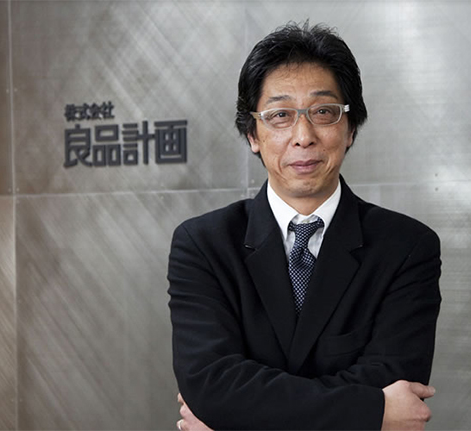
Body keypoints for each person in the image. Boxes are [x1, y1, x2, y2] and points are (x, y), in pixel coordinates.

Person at [167, 22, 441, 430]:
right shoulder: (203, 245)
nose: (303, 136)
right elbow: (211, 384)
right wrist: (373, 411)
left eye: (323, 112)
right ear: (252, 134)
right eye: (280, 115)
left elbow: (396, 377)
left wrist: (236, 419)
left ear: (350, 128)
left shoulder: (407, 247)